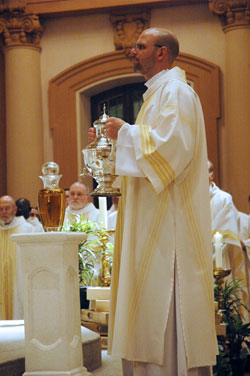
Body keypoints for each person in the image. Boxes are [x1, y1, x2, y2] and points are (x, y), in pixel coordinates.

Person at [89, 28, 217, 375]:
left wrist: (124, 132)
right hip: (151, 224)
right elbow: (146, 154)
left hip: (167, 231)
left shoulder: (175, 92)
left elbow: (171, 150)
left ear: (161, 53)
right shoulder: (158, 95)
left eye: (140, 46)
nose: (133, 51)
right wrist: (110, 143)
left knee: (163, 312)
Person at [208, 160, 248, 319]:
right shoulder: (189, 200)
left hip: (219, 265)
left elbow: (226, 238)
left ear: (211, 175)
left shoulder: (223, 199)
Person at [0, 195, 34, 320]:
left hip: (19, 283)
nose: (4, 212)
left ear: (15, 210)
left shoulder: (27, 230)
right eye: (1, 209)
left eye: (7, 208)